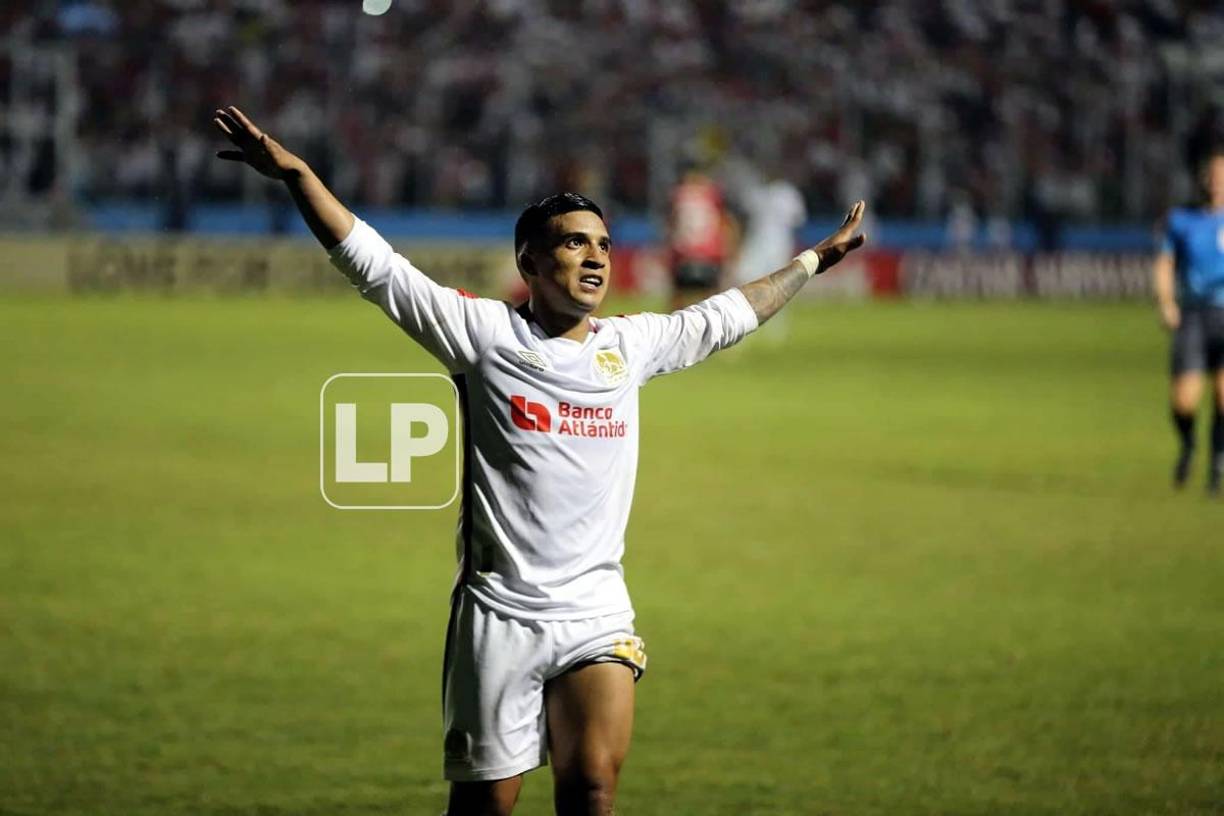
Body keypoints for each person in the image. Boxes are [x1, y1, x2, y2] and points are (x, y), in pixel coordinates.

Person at [213, 105, 866, 816]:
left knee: (591, 789)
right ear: (528, 261)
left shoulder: (630, 344)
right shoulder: (481, 334)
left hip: (595, 610)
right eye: (574, 244)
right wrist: (299, 176)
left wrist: (812, 260)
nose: (595, 258)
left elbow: (726, 316)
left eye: (604, 246)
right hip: (499, 615)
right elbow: (376, 267)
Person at [1154, 146, 1224, 496]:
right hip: (1194, 316)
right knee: (1184, 401)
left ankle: (1217, 464)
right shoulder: (1182, 219)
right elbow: (1165, 263)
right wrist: (1166, 302)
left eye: (1222, 177)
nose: (1216, 183)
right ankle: (1188, 443)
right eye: (1211, 176)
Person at [665, 160, 736, 311]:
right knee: (715, 300)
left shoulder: (678, 194)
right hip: (709, 259)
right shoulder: (713, 194)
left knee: (676, 300)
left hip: (684, 258)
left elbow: (671, 227)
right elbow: (725, 225)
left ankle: (674, 330)